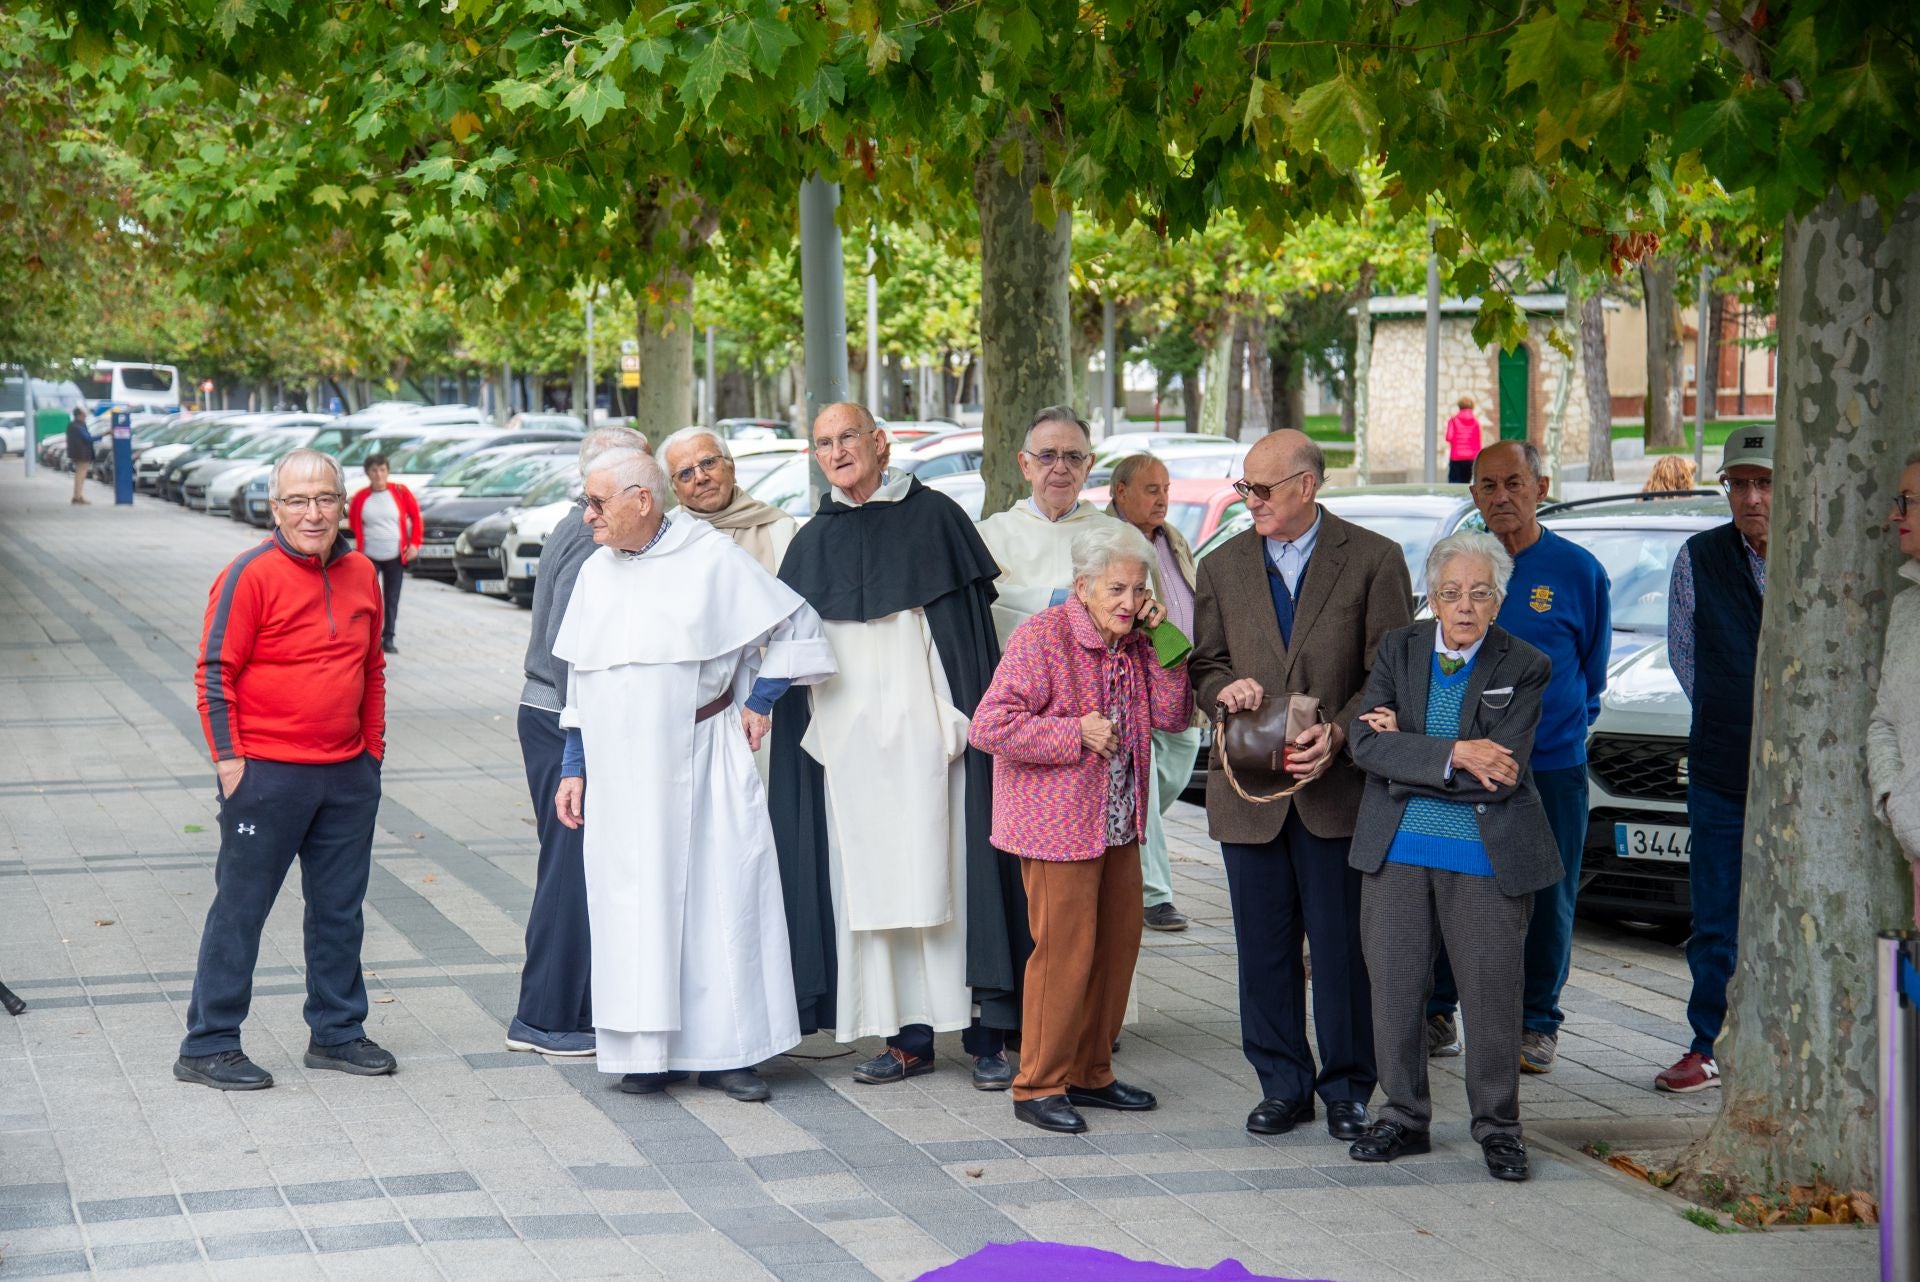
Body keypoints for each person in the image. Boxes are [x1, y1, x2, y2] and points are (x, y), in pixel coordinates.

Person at [551, 446, 835, 1101]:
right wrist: (574, 764)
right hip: (618, 774)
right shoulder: (594, 572)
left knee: (719, 900)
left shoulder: (709, 558)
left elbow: (796, 624)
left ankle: (729, 1053)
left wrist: (761, 700)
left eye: (597, 502)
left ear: (641, 500)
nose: (587, 515)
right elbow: (582, 677)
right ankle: (646, 1052)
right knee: (631, 907)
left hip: (702, 754)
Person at [769, 402, 1026, 1091]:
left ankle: (986, 1038)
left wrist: (950, 725)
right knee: (869, 890)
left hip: (937, 744)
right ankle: (905, 1039)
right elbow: (796, 655)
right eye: (823, 442)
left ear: (879, 443)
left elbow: (968, 647)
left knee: (958, 877)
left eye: (848, 437)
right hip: (849, 752)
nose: (836, 451)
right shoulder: (810, 542)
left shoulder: (937, 519)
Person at [1190, 429, 1413, 1140]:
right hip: (1248, 795)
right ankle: (1282, 1085)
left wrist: (1340, 734)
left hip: (1337, 793)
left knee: (1343, 950)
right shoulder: (1220, 565)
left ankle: (1348, 1088)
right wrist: (1224, 689)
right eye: (1244, 488)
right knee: (1264, 950)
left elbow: (1391, 673)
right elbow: (1202, 665)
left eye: (1261, 489)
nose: (1248, 501)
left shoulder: (1375, 559)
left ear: (1307, 486)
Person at [1346, 532, 1561, 1181]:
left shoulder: (1525, 664)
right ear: (1433, 599)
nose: (1465, 606)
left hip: (1485, 856)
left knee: (1491, 999)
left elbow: (1503, 772)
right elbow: (1363, 744)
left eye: (1479, 593)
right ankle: (1402, 1117)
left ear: (1499, 600)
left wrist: (1408, 755)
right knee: (1395, 991)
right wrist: (1456, 753)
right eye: (1451, 592)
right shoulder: (1399, 648)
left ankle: (1498, 1128)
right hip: (1397, 850)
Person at [175, 449, 391, 1090]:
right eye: (297, 501)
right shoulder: (248, 575)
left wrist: (371, 753)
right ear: (275, 508)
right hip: (266, 776)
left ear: (343, 504)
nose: (312, 513)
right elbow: (214, 673)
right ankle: (208, 1044)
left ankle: (337, 1032)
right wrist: (230, 765)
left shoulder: (361, 572)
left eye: (324, 498)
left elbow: (372, 668)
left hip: (346, 775)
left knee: (339, 912)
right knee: (240, 910)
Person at [970, 523, 1192, 1133]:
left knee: (1116, 951)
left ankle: (1091, 1074)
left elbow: (1174, 714)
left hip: (1118, 822)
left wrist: (1163, 635)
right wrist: (1076, 733)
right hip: (1055, 827)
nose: (1129, 601)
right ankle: (1038, 1085)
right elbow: (989, 726)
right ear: (1083, 587)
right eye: (1116, 589)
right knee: (1064, 957)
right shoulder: (1044, 636)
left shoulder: (1139, 642)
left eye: (1138, 589)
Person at [1424, 441, 1611, 1072]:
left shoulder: (1577, 571)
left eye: (1514, 483)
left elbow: (1591, 673)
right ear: (1473, 494)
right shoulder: (1458, 564)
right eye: (1487, 485)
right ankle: (1437, 1012)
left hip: (1550, 765)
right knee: (1452, 883)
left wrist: (1550, 734)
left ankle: (1536, 1023)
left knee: (1548, 895)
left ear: (1541, 487)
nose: (1501, 496)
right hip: (1466, 762)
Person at [506, 427, 646, 1058]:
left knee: (572, 864)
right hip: (560, 718)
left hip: (553, 714)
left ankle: (570, 1007)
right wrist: (586, 729)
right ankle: (543, 1017)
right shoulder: (591, 538)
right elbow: (569, 646)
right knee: (568, 867)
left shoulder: (572, 525)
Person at [1657, 423, 1773, 1093]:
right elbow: (1685, 658)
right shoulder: (1698, 557)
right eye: (1740, 484)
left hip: (1800, 780)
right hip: (1721, 767)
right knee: (1715, 916)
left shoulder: (1818, 555)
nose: (1752, 498)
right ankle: (1708, 1043)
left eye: (1765, 483)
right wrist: (1734, 712)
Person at [1107, 453, 1203, 932]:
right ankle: (1155, 896)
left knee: (1175, 767)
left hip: (1179, 676)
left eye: (1165, 488)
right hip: (1134, 679)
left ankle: (1121, 837)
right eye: (1151, 489)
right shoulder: (1107, 538)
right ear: (1121, 492)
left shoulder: (1172, 537)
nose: (1162, 498)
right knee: (1140, 781)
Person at [976, 406, 1118, 646]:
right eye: (1047, 456)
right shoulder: (987, 537)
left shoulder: (1117, 539)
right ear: (1025, 465)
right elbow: (979, 611)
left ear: (1088, 467)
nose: (1060, 468)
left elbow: (1135, 616)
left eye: (1073, 457)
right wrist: (1062, 601)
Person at [1869, 448, 1920, 924]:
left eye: (1907, 500)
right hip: (1914, 856)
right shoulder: (1906, 610)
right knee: (1902, 965)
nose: (1894, 514)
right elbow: (1883, 720)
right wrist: (1895, 802)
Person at [661, 426, 798, 574]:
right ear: (675, 491)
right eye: (686, 473)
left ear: (731, 468)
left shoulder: (781, 528)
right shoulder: (664, 537)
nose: (700, 478)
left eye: (708, 462)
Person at [347, 453, 423, 655]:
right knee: (369, 598)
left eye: (382, 470)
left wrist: (415, 544)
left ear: (388, 471)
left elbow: (416, 518)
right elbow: (354, 523)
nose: (379, 474)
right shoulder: (361, 497)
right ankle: (370, 638)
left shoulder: (400, 492)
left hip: (395, 555)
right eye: (374, 470)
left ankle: (388, 637)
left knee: (392, 598)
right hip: (369, 555)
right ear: (368, 473)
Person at [1444, 397, 1482, 485]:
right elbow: (1478, 441)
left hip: (1456, 457)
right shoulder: (1476, 422)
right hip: (1472, 458)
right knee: (1469, 485)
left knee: (1455, 484)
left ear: (1459, 406)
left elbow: (1449, 437)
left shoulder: (1453, 420)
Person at [66, 408, 97, 505]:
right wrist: (103, 434)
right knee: (80, 476)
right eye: (84, 415)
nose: (85, 417)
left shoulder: (73, 425)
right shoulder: (77, 426)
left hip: (79, 454)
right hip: (82, 454)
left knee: (80, 476)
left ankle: (78, 495)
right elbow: (88, 438)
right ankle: (77, 497)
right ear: (78, 416)